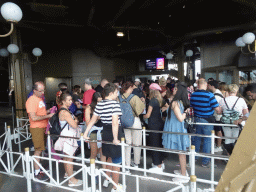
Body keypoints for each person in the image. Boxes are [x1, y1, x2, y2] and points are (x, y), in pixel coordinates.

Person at [83, 83, 124, 192]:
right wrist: (115, 138)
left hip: (105, 132)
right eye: (116, 92)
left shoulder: (100, 104)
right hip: (114, 132)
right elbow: (115, 122)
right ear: (111, 93)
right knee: (117, 161)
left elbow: (93, 120)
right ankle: (115, 187)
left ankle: (107, 179)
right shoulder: (114, 104)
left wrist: (86, 133)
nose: (117, 94)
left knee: (109, 157)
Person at [26, 82, 54, 181]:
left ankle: (39, 167)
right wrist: (48, 116)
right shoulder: (31, 100)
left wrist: (48, 111)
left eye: (43, 90)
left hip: (43, 127)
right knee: (38, 150)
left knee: (41, 149)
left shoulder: (39, 99)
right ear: (34, 91)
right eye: (41, 91)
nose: (43, 92)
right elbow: (33, 117)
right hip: (37, 128)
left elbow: (40, 113)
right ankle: (37, 172)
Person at [162, 83, 190, 183]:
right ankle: (183, 171)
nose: (174, 90)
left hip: (176, 129)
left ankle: (183, 174)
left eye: (176, 88)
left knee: (181, 152)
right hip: (178, 129)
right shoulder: (179, 102)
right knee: (181, 152)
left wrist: (185, 113)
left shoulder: (175, 102)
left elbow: (180, 118)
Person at [190, 78, 221, 167]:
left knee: (197, 139)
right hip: (207, 120)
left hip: (197, 119)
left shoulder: (193, 95)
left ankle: (194, 158)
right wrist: (219, 109)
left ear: (198, 85)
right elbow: (217, 109)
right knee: (207, 140)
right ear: (206, 84)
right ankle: (205, 161)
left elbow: (191, 107)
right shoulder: (210, 95)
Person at [54, 91, 82, 187]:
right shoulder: (65, 112)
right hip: (68, 137)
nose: (71, 102)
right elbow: (74, 124)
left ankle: (67, 173)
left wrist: (74, 120)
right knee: (69, 158)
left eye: (71, 100)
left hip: (66, 136)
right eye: (69, 100)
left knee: (67, 157)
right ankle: (72, 180)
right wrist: (76, 121)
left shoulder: (63, 110)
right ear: (63, 101)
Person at [119, 81, 145, 171]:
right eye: (132, 88)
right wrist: (143, 103)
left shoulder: (119, 98)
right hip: (135, 121)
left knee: (127, 144)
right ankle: (136, 163)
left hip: (124, 122)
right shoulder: (134, 97)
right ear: (129, 88)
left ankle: (127, 165)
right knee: (137, 143)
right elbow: (140, 111)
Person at [143, 83, 168, 172]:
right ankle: (160, 162)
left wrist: (143, 116)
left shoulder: (152, 101)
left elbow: (148, 115)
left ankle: (158, 166)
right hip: (160, 124)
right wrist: (162, 110)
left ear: (151, 91)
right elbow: (167, 107)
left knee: (154, 144)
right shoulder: (160, 100)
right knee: (159, 144)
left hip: (153, 125)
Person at [219, 84, 249, 154]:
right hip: (237, 122)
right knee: (235, 138)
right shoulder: (241, 100)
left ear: (228, 91)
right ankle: (234, 155)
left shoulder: (222, 100)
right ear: (236, 91)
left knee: (227, 138)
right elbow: (246, 113)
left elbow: (219, 112)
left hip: (226, 122)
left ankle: (229, 155)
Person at [85, 92, 105, 162]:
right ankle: (92, 171)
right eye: (98, 101)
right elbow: (88, 123)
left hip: (102, 130)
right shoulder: (89, 108)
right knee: (93, 152)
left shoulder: (103, 107)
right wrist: (96, 118)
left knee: (103, 152)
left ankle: (103, 171)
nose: (99, 103)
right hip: (93, 131)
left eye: (101, 101)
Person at [208, 80, 224, 153]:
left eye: (208, 85)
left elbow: (217, 107)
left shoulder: (216, 95)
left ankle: (219, 146)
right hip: (217, 116)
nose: (207, 86)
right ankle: (217, 145)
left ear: (212, 86)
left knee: (218, 130)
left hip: (217, 116)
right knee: (217, 130)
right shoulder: (217, 93)